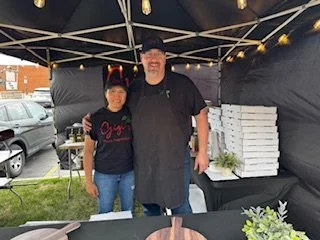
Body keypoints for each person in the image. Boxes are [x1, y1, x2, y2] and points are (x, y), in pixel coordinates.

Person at [83, 36, 209, 216]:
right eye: (148, 55)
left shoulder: (182, 84)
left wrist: (203, 151)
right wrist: (89, 118)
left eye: (158, 54)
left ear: (165, 58)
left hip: (174, 160)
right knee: (150, 209)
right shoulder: (134, 88)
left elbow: (201, 114)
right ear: (141, 59)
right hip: (143, 161)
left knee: (180, 206)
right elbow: (115, 111)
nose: (153, 59)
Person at [83, 74, 134, 214]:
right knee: (105, 212)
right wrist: (88, 181)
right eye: (112, 91)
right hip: (104, 174)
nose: (116, 96)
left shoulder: (132, 113)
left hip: (129, 173)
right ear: (105, 94)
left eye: (121, 92)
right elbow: (88, 151)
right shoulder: (95, 118)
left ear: (126, 95)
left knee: (128, 211)